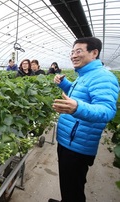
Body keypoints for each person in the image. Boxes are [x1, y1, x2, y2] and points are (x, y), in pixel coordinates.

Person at [49, 37, 119, 202]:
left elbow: (107, 110)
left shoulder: (103, 77)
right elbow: (83, 95)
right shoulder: (86, 74)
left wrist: (77, 108)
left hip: (78, 146)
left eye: (79, 51)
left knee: (73, 188)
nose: (73, 55)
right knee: (68, 184)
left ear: (94, 53)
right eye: (72, 52)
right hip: (70, 141)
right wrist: (64, 84)